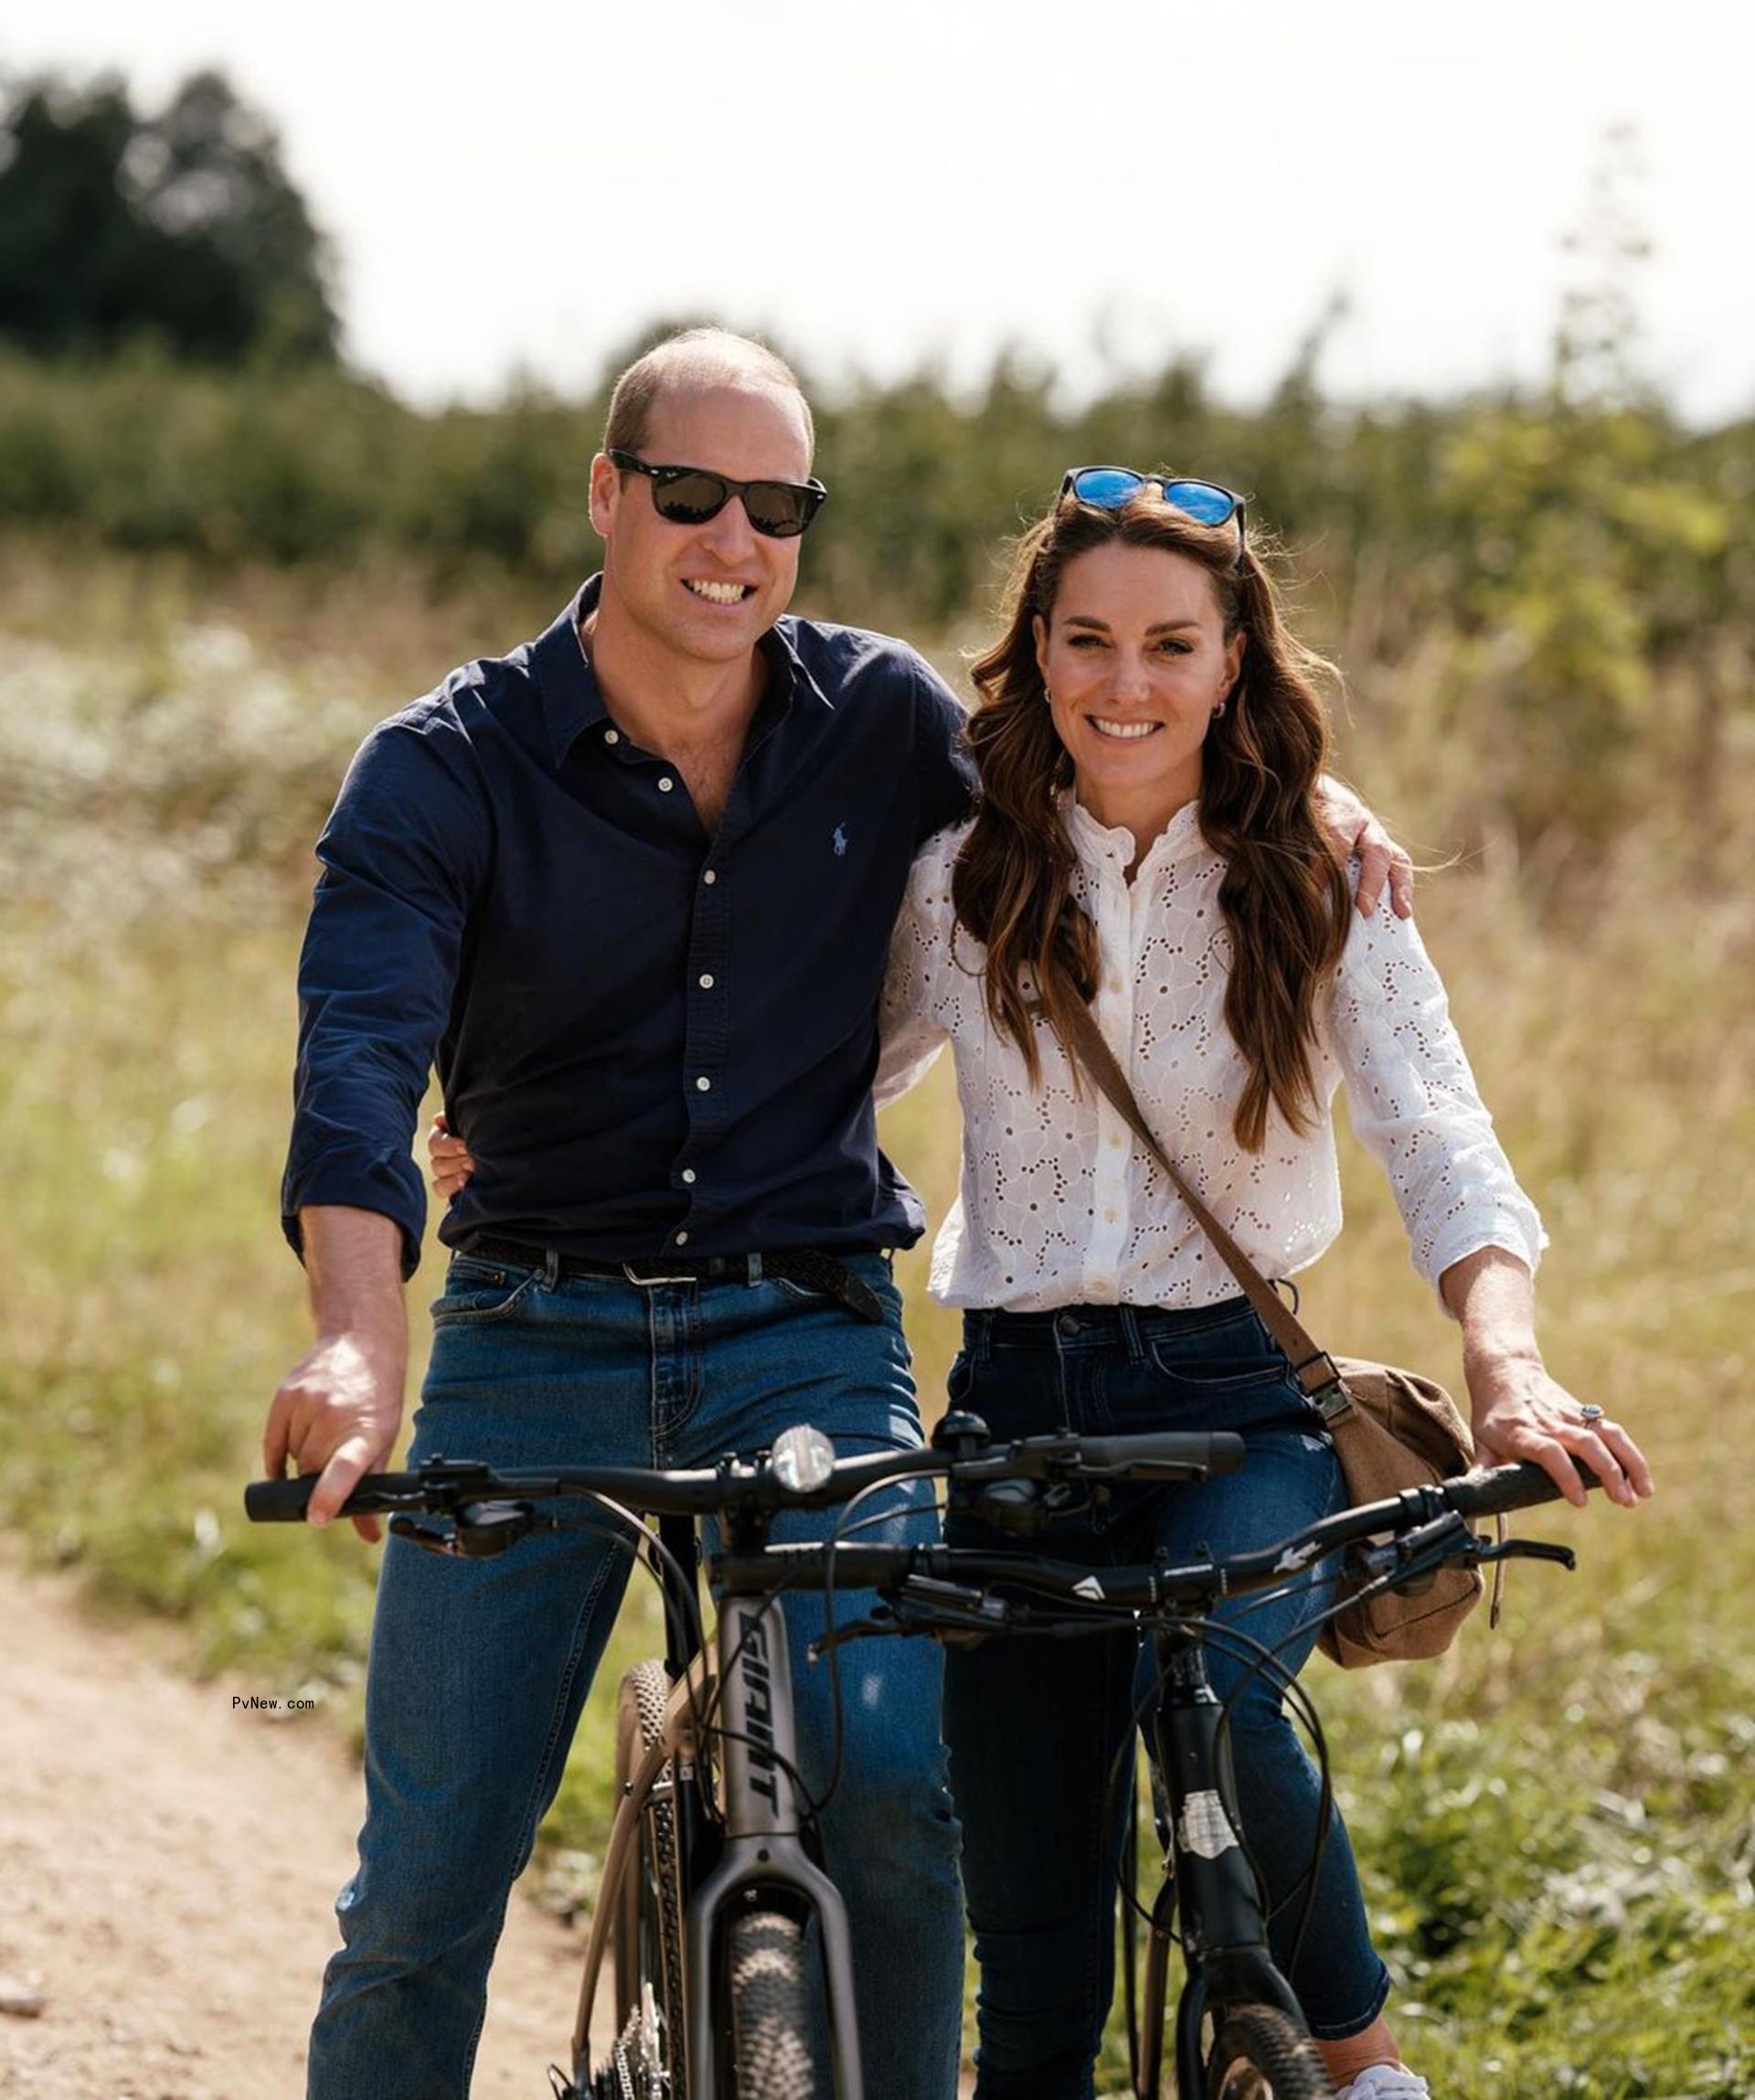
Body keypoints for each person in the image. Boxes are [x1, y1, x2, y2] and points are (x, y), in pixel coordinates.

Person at [275, 323, 1409, 2100]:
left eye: (777, 504)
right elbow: (358, 1059)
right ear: (608, 492)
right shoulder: (442, 771)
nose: (734, 538)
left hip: (803, 1332)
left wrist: (1298, 788)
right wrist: (357, 1337)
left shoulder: (876, 724)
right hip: (527, 1336)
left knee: (895, 1781)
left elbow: (1122, 758)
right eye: (690, 493)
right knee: (426, 1888)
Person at [862, 469, 1655, 2100]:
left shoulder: (1316, 872)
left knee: (1224, 1691)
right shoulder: (961, 877)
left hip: (1240, 1403)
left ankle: (1363, 2071)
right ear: (1038, 649)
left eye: (1170, 642)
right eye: (1087, 640)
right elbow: (819, 1083)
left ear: (1235, 661)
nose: (1125, 683)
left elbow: (1438, 1136)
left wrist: (1504, 1361)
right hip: (1011, 1415)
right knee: (1031, 1973)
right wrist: (533, 1138)